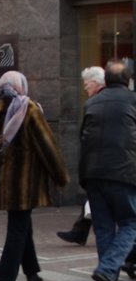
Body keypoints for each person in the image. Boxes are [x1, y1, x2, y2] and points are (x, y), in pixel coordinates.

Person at [0, 71, 69, 281]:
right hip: (24, 183)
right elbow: (47, 146)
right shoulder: (29, 110)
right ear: (20, 86)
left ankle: (32, 274)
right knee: (17, 227)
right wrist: (60, 176)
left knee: (23, 223)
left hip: (2, 183)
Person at [77, 59, 136, 281]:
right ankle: (108, 269)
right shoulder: (133, 100)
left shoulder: (92, 103)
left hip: (92, 174)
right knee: (131, 223)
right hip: (123, 173)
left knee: (103, 227)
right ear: (127, 81)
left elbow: (83, 137)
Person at [57, 65, 106, 245]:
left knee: (103, 201)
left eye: (86, 84)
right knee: (95, 198)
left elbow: (88, 135)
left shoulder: (96, 104)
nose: (84, 88)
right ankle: (80, 231)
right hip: (107, 162)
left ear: (95, 83)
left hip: (104, 162)